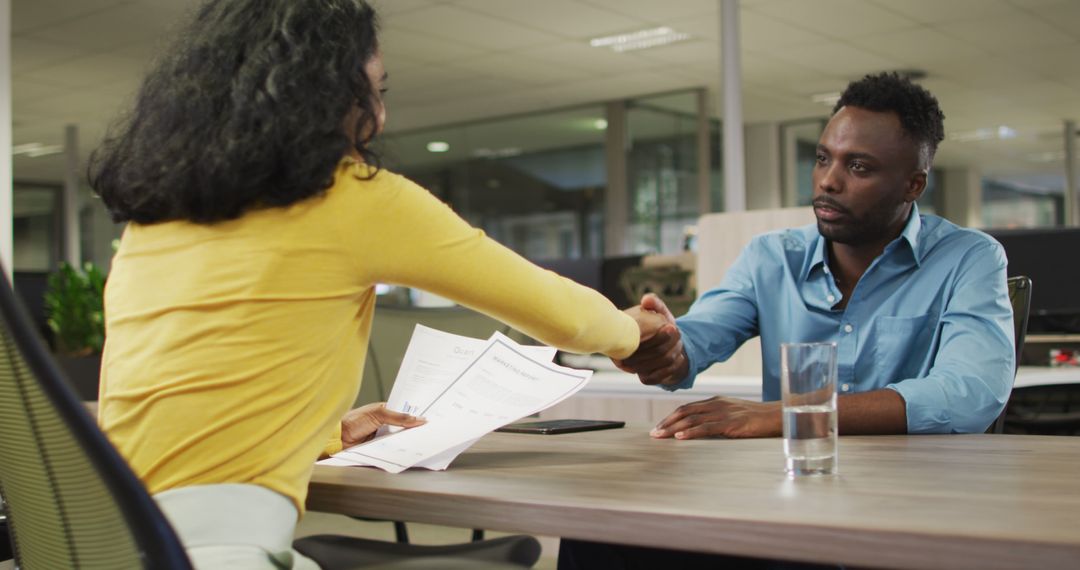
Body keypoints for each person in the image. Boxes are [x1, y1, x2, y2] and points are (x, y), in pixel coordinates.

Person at [90, 1, 659, 568]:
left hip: (108, 539)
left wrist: (326, 433)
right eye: (372, 93)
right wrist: (638, 329)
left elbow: (186, 395)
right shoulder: (349, 196)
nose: (379, 117)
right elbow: (568, 318)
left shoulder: (155, 217)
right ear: (321, 95)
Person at [558, 72, 1014, 570]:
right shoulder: (771, 257)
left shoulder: (969, 257)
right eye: (823, 158)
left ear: (913, 184)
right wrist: (656, 342)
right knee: (597, 530)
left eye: (858, 166)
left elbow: (971, 394)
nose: (828, 181)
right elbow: (697, 337)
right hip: (794, 498)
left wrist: (784, 414)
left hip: (908, 504)